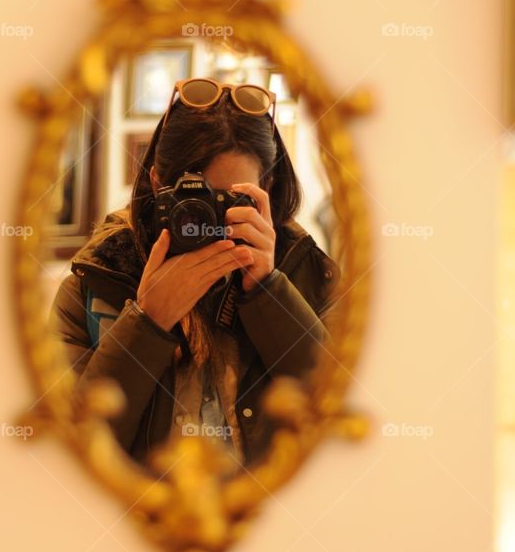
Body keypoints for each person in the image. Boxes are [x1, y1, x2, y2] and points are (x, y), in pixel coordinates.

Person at [48, 78, 340, 468]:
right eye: (193, 197)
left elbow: (337, 416)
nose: (208, 218)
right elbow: (73, 448)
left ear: (265, 187)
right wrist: (147, 322)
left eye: (230, 199)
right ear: (156, 182)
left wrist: (269, 293)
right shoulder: (93, 286)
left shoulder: (311, 278)